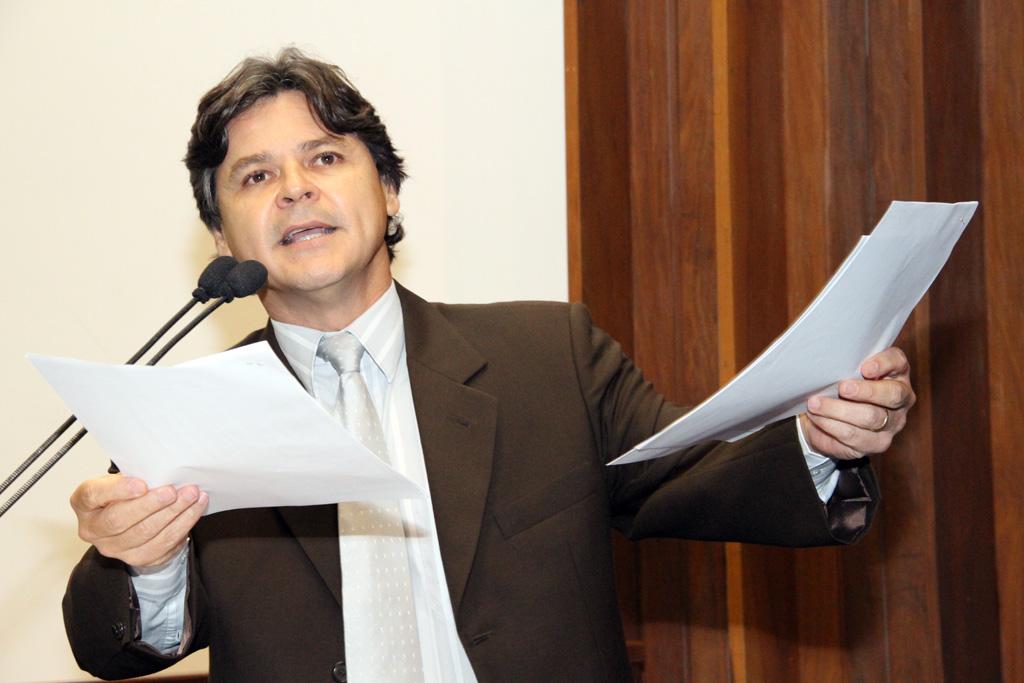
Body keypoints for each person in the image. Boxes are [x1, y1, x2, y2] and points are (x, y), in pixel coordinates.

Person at [63, 48, 914, 683]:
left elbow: (692, 473)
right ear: (222, 237)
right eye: (255, 175)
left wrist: (820, 441)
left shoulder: (548, 357)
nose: (294, 188)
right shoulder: (186, 414)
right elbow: (112, 645)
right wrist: (148, 561)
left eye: (324, 157)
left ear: (387, 190)